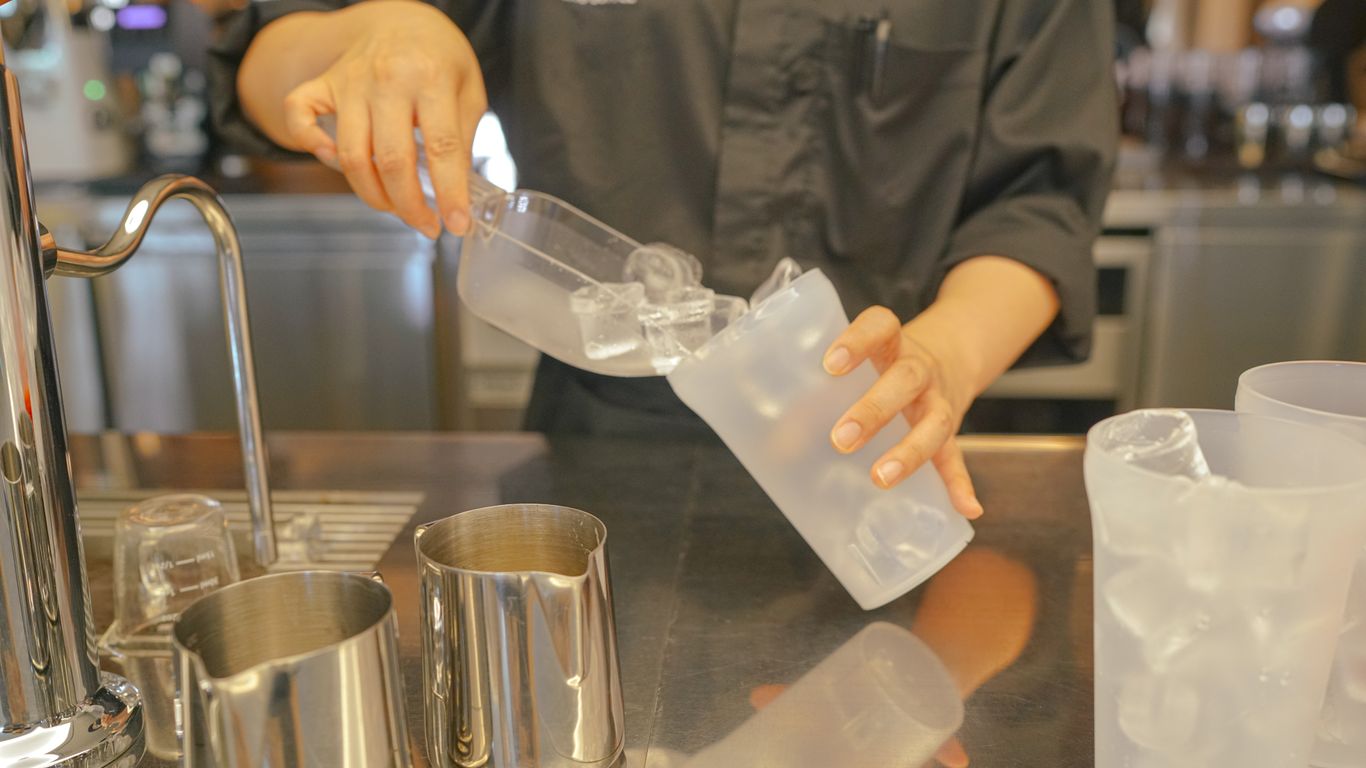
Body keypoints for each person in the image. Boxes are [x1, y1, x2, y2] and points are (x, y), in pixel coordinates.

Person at [210, 0, 1117, 520]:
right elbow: (262, 64)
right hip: (595, 457)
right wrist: (373, 30)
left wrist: (942, 361)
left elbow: (1037, 203)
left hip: (878, 453)